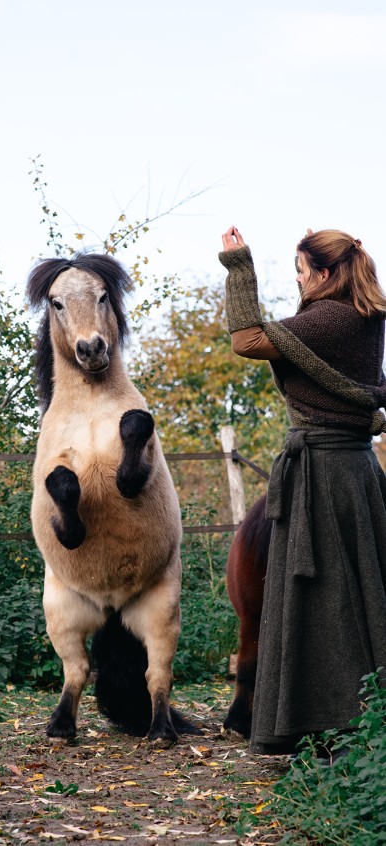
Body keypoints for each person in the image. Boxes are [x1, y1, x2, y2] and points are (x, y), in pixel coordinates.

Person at [219, 226, 386, 755]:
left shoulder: (331, 318)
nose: (296, 279)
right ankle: (356, 724)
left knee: (323, 601)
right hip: (354, 471)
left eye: (299, 269)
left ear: (325, 274)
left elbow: (245, 339)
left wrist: (238, 265)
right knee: (360, 598)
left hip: (324, 474)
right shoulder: (364, 319)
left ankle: (326, 728)